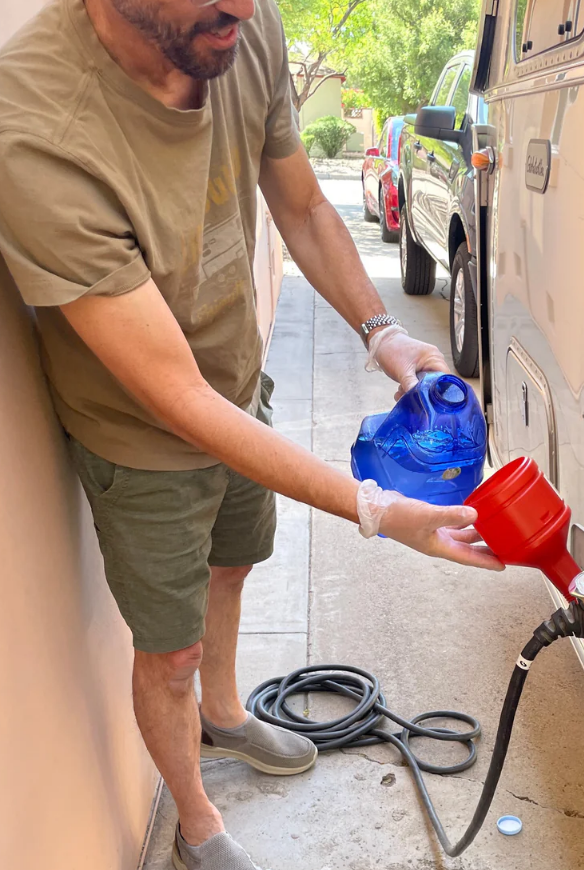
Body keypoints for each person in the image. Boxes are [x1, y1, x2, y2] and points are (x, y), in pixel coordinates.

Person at [0, 2, 501, 868]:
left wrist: (382, 331)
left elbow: (302, 205)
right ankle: (197, 823)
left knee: (234, 565)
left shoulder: (238, 25)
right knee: (171, 649)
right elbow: (178, 401)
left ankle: (224, 718)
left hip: (237, 377)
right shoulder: (35, 130)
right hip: (144, 437)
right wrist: (378, 510)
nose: (245, 5)